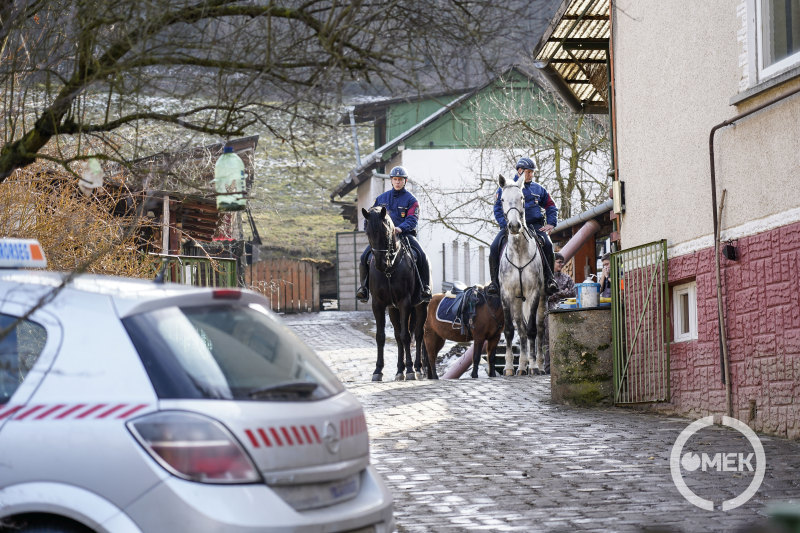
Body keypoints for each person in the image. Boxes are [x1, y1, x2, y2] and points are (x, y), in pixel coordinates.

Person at [356, 166, 432, 304]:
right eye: (395, 179)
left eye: (400, 179)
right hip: (382, 239)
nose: (397, 182)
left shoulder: (411, 200)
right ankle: (364, 289)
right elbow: (370, 217)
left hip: (405, 235)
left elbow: (412, 220)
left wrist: (399, 228)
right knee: (363, 258)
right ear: (391, 180)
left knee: (422, 256)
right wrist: (370, 230)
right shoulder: (381, 199)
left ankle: (424, 288)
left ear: (405, 181)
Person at [488, 157, 559, 295]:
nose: (531, 175)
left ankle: (550, 280)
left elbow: (551, 206)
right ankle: (494, 284)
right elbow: (497, 208)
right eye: (528, 172)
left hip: (535, 227)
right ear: (520, 171)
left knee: (549, 246)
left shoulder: (538, 189)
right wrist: (505, 225)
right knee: (493, 247)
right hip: (510, 226)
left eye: (532, 172)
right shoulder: (505, 188)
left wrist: (551, 223)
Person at [544, 253, 576, 374]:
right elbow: (545, 296)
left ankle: (564, 368)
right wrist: (562, 292)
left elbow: (574, 292)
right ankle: (548, 370)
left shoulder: (566, 278)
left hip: (564, 313)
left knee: (564, 340)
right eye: (559, 262)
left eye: (563, 262)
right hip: (548, 313)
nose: (562, 265)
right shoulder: (545, 278)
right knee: (548, 343)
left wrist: (557, 294)